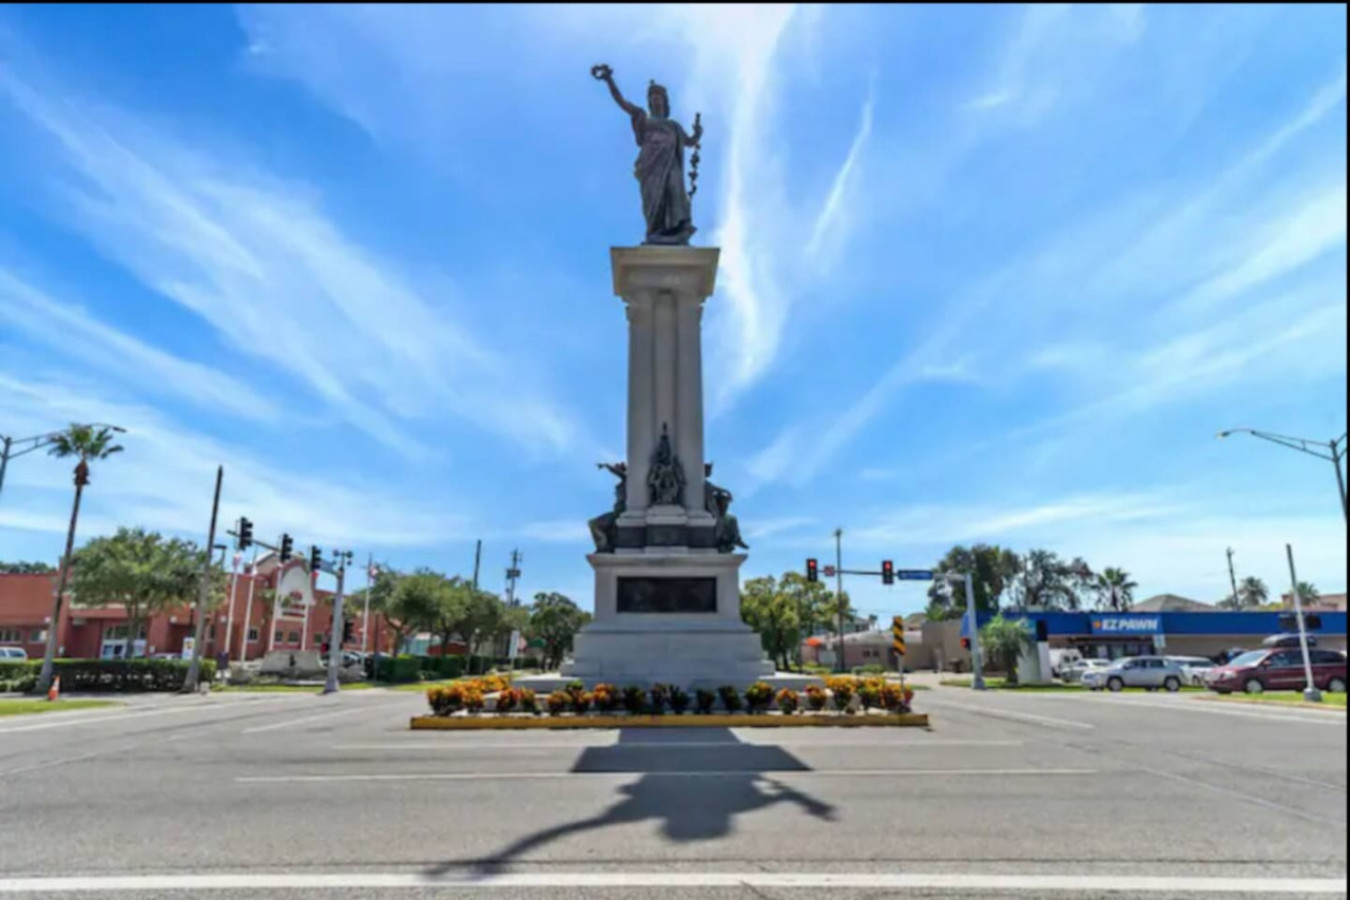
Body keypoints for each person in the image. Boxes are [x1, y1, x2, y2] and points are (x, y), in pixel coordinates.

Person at [594, 65, 702, 244]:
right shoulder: (642, 117)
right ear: (650, 103)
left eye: (659, 96)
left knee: (674, 192)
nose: (656, 99)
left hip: (670, 164)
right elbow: (622, 102)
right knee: (653, 199)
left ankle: (677, 230)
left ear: (665, 102)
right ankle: (656, 231)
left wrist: (698, 133)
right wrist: (609, 79)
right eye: (653, 97)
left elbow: (689, 141)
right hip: (651, 165)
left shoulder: (674, 126)